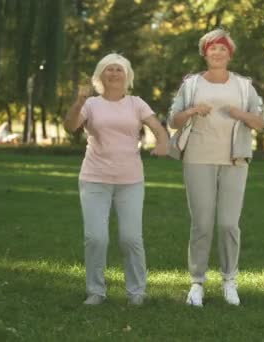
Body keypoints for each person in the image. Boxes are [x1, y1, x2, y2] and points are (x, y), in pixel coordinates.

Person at [168, 29, 264, 307]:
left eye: (222, 48)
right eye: (212, 48)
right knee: (201, 224)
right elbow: (173, 120)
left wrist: (240, 114)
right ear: (205, 52)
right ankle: (197, 283)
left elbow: (261, 122)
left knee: (227, 224)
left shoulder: (244, 86)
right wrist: (191, 111)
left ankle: (229, 280)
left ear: (229, 53)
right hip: (197, 158)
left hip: (235, 160)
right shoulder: (190, 85)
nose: (217, 52)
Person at [64, 53, 169, 306]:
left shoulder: (136, 103)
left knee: (131, 238)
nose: (113, 73)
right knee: (96, 237)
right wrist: (78, 102)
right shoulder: (91, 104)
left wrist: (163, 143)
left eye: (118, 69)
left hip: (130, 179)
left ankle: (136, 292)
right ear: (101, 75)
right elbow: (70, 126)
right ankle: (96, 291)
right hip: (94, 178)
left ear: (127, 76)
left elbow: (157, 127)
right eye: (108, 69)